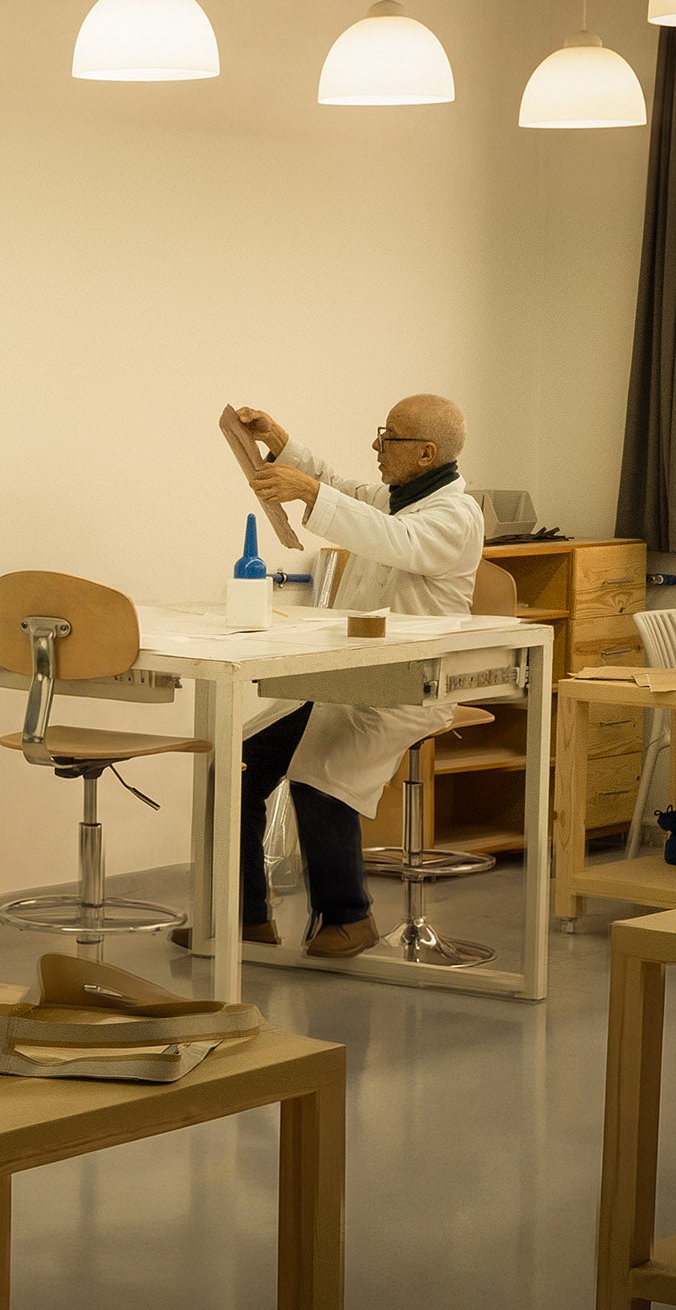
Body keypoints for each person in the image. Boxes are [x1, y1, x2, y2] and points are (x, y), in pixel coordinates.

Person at [185, 397, 485, 958]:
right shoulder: (396, 499)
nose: (376, 445)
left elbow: (391, 540)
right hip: (348, 679)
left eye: (388, 437)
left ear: (427, 453)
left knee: (321, 769)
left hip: (407, 686)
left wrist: (311, 493)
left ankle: (350, 918)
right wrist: (278, 440)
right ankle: (243, 917)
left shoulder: (455, 516)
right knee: (237, 765)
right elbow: (336, 488)